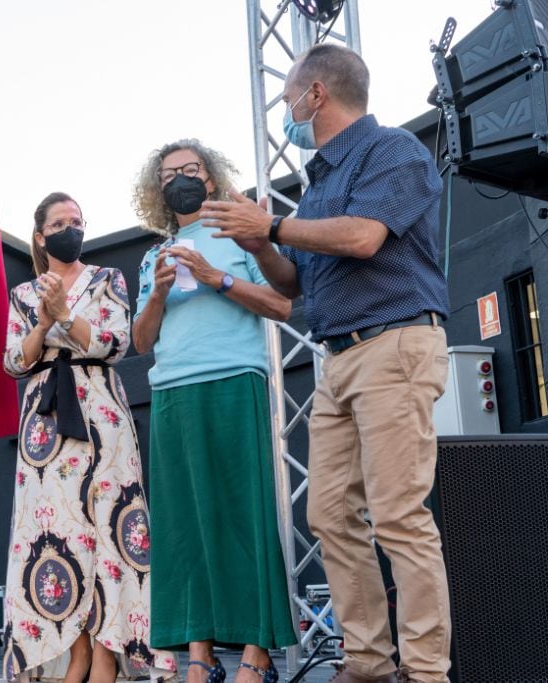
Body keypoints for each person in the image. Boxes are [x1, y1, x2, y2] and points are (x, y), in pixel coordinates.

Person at [202, 44, 451, 683]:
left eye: (288, 100)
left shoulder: (391, 150)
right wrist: (258, 243)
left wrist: (275, 225)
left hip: (394, 345)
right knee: (330, 515)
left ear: (317, 95)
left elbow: (365, 236)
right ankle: (368, 663)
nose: (286, 113)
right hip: (337, 358)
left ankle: (426, 672)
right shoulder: (316, 189)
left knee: (399, 514)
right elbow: (290, 287)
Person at [131, 139, 296, 683]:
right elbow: (140, 341)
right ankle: (198, 656)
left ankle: (256, 652)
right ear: (158, 190)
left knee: (243, 515)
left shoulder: (238, 233)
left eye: (190, 169)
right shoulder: (154, 255)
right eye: (170, 173)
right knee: (183, 527)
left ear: (211, 177)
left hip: (234, 378)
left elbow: (283, 303)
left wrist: (214, 277)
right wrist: (156, 294)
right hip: (174, 392)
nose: (180, 178)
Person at [2, 192, 176, 683]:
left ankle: (106, 654)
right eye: (59, 222)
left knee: (109, 530)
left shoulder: (108, 280)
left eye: (76, 220)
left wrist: (64, 316)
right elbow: (14, 361)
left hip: (101, 414)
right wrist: (43, 319)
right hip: (45, 424)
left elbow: (114, 343)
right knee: (57, 534)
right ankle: (74, 653)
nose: (70, 228)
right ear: (40, 236)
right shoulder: (22, 294)